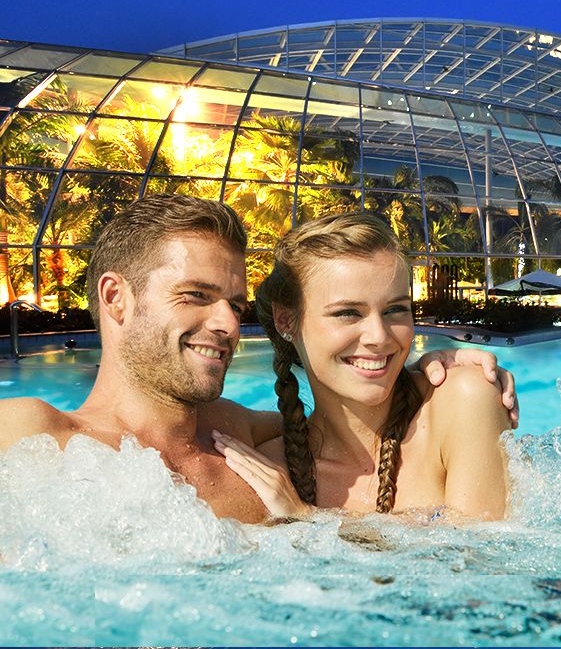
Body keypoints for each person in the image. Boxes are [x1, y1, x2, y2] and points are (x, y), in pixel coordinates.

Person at [0, 195, 516, 523]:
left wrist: (431, 376)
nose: (228, 324)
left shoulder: (241, 441)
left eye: (235, 304)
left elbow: (349, 427)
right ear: (116, 298)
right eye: (196, 295)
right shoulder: (31, 435)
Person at [214, 212, 511, 521]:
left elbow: (486, 550)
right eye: (348, 313)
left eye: (395, 310)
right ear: (286, 320)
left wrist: (305, 519)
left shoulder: (463, 400)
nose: (379, 337)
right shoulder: (270, 472)